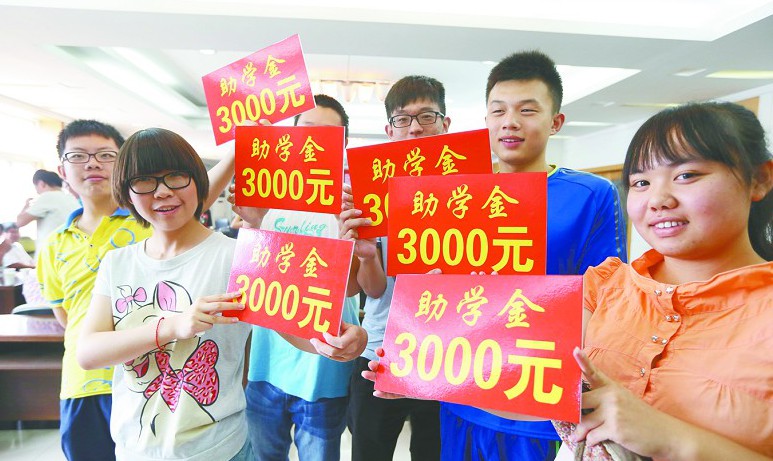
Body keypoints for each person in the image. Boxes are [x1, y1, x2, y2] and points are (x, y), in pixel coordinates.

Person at [358, 51, 628, 460]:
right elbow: (429, 293)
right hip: (462, 396)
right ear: (486, 120)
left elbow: (610, 300)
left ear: (556, 121)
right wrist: (411, 369)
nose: (510, 122)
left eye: (527, 110)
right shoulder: (454, 192)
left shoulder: (590, 194)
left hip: (542, 407)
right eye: (498, 111)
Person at [76, 127, 368, 461]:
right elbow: (88, 352)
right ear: (127, 193)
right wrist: (172, 326)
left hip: (221, 448)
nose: (163, 192)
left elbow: (304, 333)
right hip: (134, 449)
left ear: (198, 181)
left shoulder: (241, 257)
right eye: (144, 181)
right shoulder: (118, 263)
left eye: (176, 177)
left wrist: (346, 340)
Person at [558, 101, 773, 460]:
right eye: (641, 182)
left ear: (759, 179)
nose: (657, 200)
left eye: (686, 175)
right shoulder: (605, 286)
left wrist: (671, 438)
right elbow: (523, 386)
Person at [37, 119, 237, 461]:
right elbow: (69, 324)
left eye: (104, 155)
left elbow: (191, 195)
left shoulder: (156, 222)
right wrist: (147, 334)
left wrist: (240, 147)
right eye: (79, 156)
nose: (92, 164)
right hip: (90, 388)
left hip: (198, 421)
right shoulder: (62, 246)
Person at [228, 94, 378, 461]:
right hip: (265, 365)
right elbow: (250, 281)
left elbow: (353, 289)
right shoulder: (266, 197)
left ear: (343, 145)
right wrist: (254, 223)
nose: (314, 142)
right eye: (306, 131)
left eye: (327, 135)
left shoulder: (350, 204)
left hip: (324, 371)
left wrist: (347, 243)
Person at [340, 76, 451, 461]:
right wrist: (367, 255)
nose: (415, 128)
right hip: (380, 347)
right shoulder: (373, 191)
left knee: (433, 453)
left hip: (447, 353)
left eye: (426, 116)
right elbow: (372, 291)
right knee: (369, 452)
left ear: (445, 124)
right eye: (403, 119)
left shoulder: (467, 190)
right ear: (390, 130)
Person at [16, 169, 80, 256]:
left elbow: (19, 222)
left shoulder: (47, 196)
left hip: (52, 253)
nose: (37, 192)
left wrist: (26, 205)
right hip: (72, 251)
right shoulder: (71, 198)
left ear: (41, 183)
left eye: (36, 187)